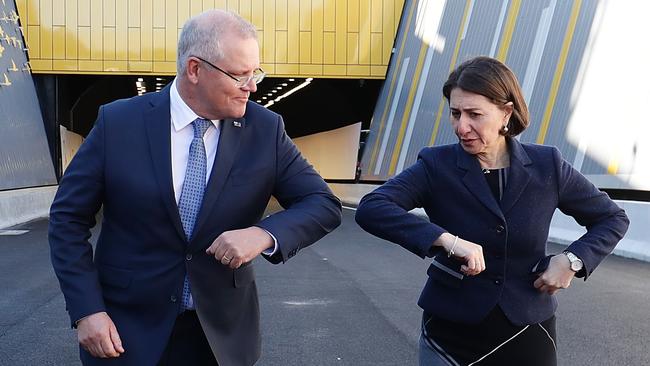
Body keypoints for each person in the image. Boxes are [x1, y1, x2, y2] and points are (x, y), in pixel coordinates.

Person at [49, 9, 341, 366]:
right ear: (194, 69)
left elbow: (322, 203)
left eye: (256, 73)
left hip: (220, 339)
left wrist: (263, 234)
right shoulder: (118, 123)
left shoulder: (265, 130)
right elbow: (67, 219)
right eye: (240, 75)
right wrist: (86, 311)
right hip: (124, 333)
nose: (252, 87)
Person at [355, 56, 628, 366]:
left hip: (528, 331)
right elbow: (372, 208)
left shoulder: (546, 165)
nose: (461, 126)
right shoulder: (435, 165)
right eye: (455, 114)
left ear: (506, 113)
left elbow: (612, 218)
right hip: (450, 333)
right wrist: (446, 240)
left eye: (474, 114)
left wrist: (573, 260)